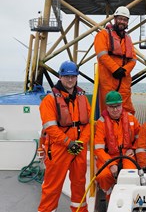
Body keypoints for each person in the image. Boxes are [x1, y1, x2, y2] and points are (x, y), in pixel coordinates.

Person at [38, 61, 91, 212]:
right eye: (66, 76)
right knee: (52, 187)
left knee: (79, 185)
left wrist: (81, 142)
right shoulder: (50, 100)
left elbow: (88, 124)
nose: (70, 80)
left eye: (73, 76)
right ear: (60, 77)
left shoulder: (82, 98)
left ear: (76, 77)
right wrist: (69, 143)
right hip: (59, 149)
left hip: (78, 148)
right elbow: (51, 128)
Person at [94, 91, 140, 201]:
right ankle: (109, 198)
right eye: (112, 107)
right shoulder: (101, 123)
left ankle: (129, 199)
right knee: (103, 175)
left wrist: (133, 148)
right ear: (107, 107)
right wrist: (110, 164)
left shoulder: (131, 118)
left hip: (127, 154)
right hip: (108, 156)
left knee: (131, 174)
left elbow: (140, 138)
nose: (115, 110)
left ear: (122, 105)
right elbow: (99, 149)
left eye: (118, 106)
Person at [94, 6, 137, 115]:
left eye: (125, 19)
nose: (122, 21)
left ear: (127, 22)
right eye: (120, 19)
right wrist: (115, 69)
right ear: (115, 19)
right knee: (107, 110)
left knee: (127, 109)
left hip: (124, 80)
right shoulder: (103, 34)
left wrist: (124, 71)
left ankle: (128, 131)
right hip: (108, 79)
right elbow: (102, 55)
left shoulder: (128, 38)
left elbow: (133, 59)